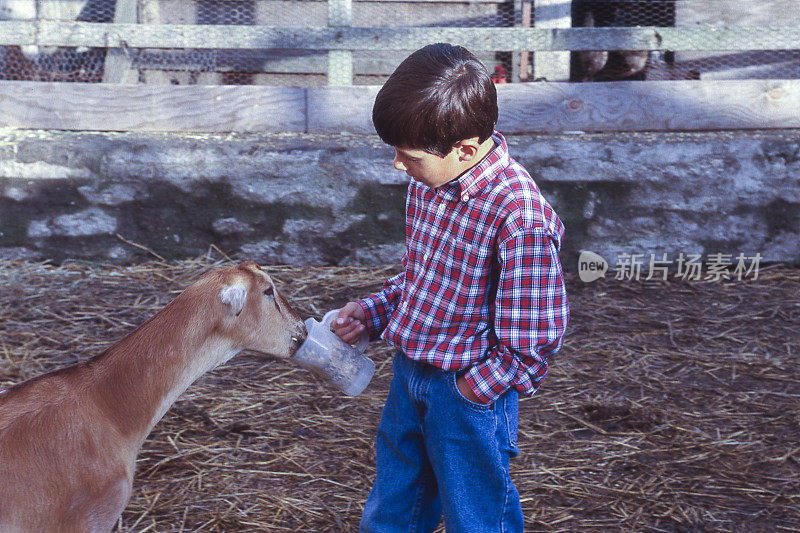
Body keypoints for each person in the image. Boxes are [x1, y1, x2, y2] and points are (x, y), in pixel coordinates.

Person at [331, 43, 569, 532]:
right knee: (394, 501)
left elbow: (535, 334)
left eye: (409, 155)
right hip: (411, 373)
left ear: (464, 148)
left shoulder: (518, 215)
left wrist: (472, 391)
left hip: (467, 391)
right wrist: (375, 312)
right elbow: (422, 279)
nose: (398, 164)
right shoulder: (430, 183)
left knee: (476, 514)